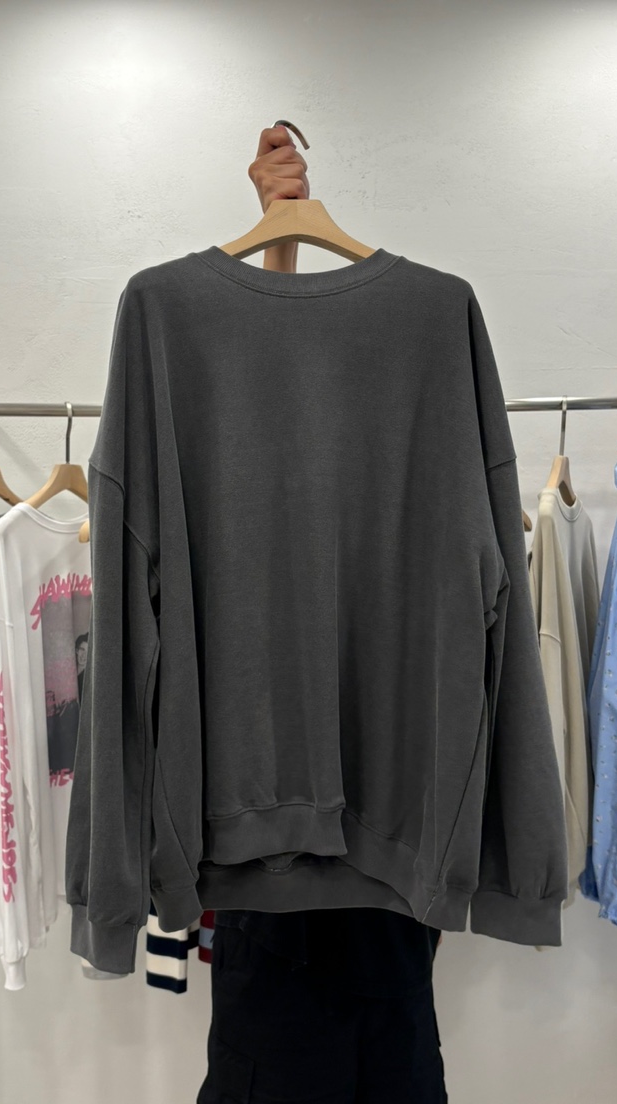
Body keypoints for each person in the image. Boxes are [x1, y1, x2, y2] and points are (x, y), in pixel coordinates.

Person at [196, 125, 447, 1104]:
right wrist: (280, 238)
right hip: (275, 876)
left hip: (377, 870)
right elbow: (269, 407)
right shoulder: (238, 455)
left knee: (384, 1059)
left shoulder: (417, 363)